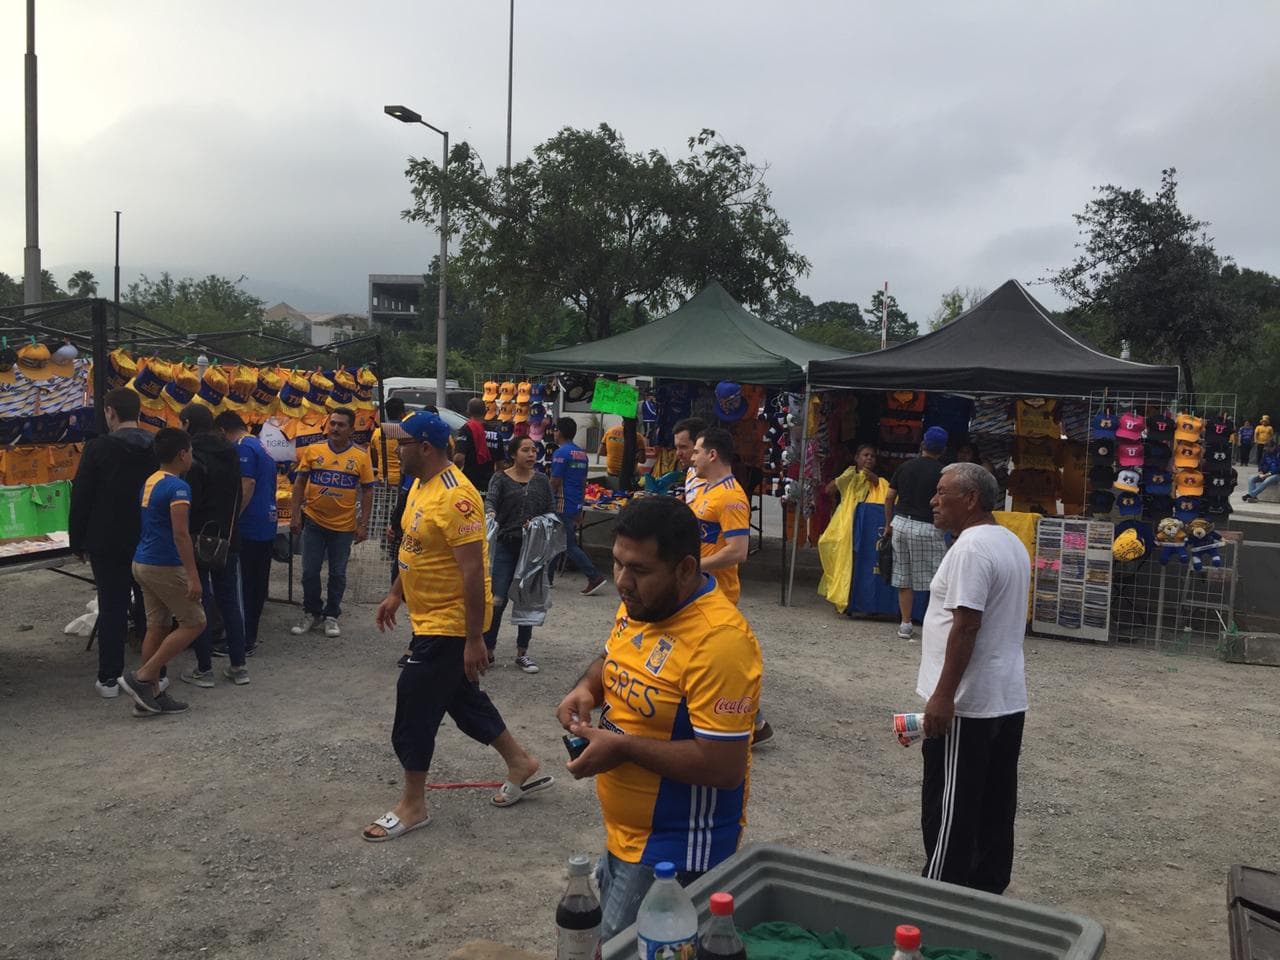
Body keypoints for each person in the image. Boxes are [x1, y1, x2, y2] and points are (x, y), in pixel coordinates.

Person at [556, 497, 763, 941]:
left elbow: (723, 768)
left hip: (676, 853)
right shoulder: (642, 604)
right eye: (616, 564)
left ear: (686, 568)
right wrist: (585, 688)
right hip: (624, 836)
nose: (622, 583)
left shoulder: (720, 642)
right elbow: (613, 656)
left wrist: (623, 748)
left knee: (612, 949)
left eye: (640, 571)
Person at [363, 410, 553, 842]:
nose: (397, 449)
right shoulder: (418, 486)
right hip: (429, 617)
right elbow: (415, 548)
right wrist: (396, 592)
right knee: (461, 699)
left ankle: (413, 804)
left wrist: (473, 640)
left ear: (425, 447)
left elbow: (472, 573)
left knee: (413, 702)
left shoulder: (457, 498)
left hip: (449, 625)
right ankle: (520, 762)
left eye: (403, 442)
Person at [917, 462, 1030, 894]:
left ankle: (939, 897)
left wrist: (943, 697)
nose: (933, 500)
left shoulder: (970, 550)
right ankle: (986, 893)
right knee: (994, 804)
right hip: (1004, 698)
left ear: (971, 500)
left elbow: (966, 625)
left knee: (951, 808)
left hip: (969, 703)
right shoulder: (1009, 542)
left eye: (942, 492)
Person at [69, 387, 158, 699]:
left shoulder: (98, 448)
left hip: (106, 540)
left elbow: (81, 495)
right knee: (151, 607)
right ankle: (154, 674)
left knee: (113, 606)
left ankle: (109, 678)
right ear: (139, 411)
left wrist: (76, 540)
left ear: (110, 412)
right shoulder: (156, 446)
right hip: (148, 537)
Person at [688, 426, 771, 743]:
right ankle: (754, 722)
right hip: (700, 588)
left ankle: (754, 722)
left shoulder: (732, 497)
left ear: (712, 454)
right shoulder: (705, 488)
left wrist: (693, 567)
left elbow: (737, 552)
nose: (692, 456)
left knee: (720, 660)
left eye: (696, 450)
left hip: (717, 593)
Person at [118, 428, 206, 716]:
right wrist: (193, 576)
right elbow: (181, 534)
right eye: (190, 451)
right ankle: (143, 676)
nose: (192, 456)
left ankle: (150, 694)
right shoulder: (178, 488)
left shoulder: (151, 481)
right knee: (195, 622)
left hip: (142, 561)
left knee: (157, 625)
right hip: (164, 564)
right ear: (182, 454)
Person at [177, 404, 249, 687]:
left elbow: (187, 502)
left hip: (197, 537)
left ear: (186, 423)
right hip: (227, 538)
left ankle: (204, 669)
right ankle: (239, 666)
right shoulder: (230, 451)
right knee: (229, 601)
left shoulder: (189, 455)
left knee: (200, 600)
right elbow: (238, 492)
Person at [290, 408, 375, 637]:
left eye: (341, 425)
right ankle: (311, 612)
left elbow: (368, 491)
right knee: (309, 571)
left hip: (343, 528)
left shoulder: (360, 456)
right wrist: (295, 514)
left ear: (351, 429)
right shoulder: (313, 450)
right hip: (314, 522)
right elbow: (299, 483)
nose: (335, 428)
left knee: (337, 574)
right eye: (333, 424)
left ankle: (331, 615)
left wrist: (363, 524)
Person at [484, 435, 555, 673]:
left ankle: (522, 653)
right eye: (525, 450)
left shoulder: (542, 481)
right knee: (497, 600)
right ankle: (488, 650)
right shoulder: (500, 478)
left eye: (534, 450)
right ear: (513, 454)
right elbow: (490, 501)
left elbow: (550, 512)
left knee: (528, 600)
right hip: (506, 546)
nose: (531, 454)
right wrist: (491, 513)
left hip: (532, 549)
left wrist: (538, 524)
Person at [215, 410, 277, 658]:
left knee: (242, 586)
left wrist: (231, 518)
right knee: (256, 584)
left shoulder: (242, 447)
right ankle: (249, 636)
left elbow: (247, 484)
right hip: (266, 522)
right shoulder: (260, 445)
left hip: (249, 525)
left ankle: (239, 640)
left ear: (222, 431)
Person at [885, 426, 949, 641]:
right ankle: (935, 625)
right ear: (943, 449)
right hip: (927, 527)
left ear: (923, 443)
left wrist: (888, 524)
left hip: (901, 523)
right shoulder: (943, 473)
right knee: (938, 579)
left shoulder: (905, 467)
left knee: (904, 577)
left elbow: (889, 496)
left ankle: (905, 624)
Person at [817, 443, 889, 612]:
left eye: (872, 456)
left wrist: (874, 480)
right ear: (856, 458)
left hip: (866, 526)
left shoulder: (878, 480)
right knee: (832, 549)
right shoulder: (849, 475)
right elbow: (828, 490)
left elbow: (887, 494)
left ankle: (855, 599)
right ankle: (842, 596)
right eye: (865, 455)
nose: (869, 458)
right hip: (845, 523)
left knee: (859, 562)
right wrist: (843, 479)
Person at [550, 417, 608, 595]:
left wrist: (544, 496)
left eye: (555, 429)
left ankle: (594, 576)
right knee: (553, 541)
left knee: (568, 544)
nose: (553, 432)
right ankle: (546, 580)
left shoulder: (560, 453)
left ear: (559, 431)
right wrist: (579, 506)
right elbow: (583, 481)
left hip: (561, 503)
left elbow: (555, 481)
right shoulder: (581, 454)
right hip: (574, 502)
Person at [454, 397, 495, 492]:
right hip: (489, 484)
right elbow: (500, 464)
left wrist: (455, 473)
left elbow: (458, 458)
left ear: (468, 412)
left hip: (470, 483)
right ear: (485, 412)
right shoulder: (495, 432)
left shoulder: (466, 430)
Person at [599, 421, 646, 491]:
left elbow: (601, 452)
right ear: (635, 425)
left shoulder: (609, 432)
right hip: (629, 474)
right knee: (642, 480)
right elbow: (642, 460)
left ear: (622, 422)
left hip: (611, 472)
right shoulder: (638, 437)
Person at [370, 397, 406, 485]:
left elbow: (374, 457)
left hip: (382, 480)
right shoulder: (408, 433)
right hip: (402, 481)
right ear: (402, 414)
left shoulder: (378, 433)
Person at [671, 416, 708, 502]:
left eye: (683, 447)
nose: (678, 453)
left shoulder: (712, 482)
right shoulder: (691, 470)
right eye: (676, 447)